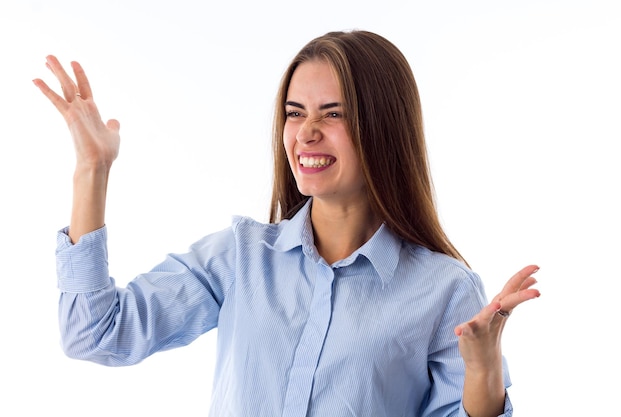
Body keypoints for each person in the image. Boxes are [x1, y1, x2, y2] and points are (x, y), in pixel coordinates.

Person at [33, 30, 540, 417]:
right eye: (295, 113)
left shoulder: (444, 291)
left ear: (383, 128)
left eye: (334, 114)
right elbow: (93, 334)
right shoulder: (239, 258)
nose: (307, 133)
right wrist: (91, 171)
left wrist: (481, 370)